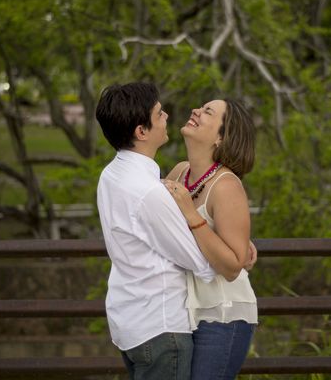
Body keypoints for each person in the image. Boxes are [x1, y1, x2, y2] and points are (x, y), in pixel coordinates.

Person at [95, 82, 235, 380]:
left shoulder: (111, 174)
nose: (167, 115)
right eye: (159, 114)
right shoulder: (149, 192)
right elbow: (200, 264)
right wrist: (234, 252)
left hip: (128, 321)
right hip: (160, 328)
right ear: (141, 131)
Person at [162, 98, 258, 380]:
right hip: (183, 313)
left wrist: (193, 216)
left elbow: (232, 267)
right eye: (200, 107)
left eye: (207, 112)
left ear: (220, 136)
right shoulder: (180, 172)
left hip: (222, 318)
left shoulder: (226, 186)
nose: (195, 111)